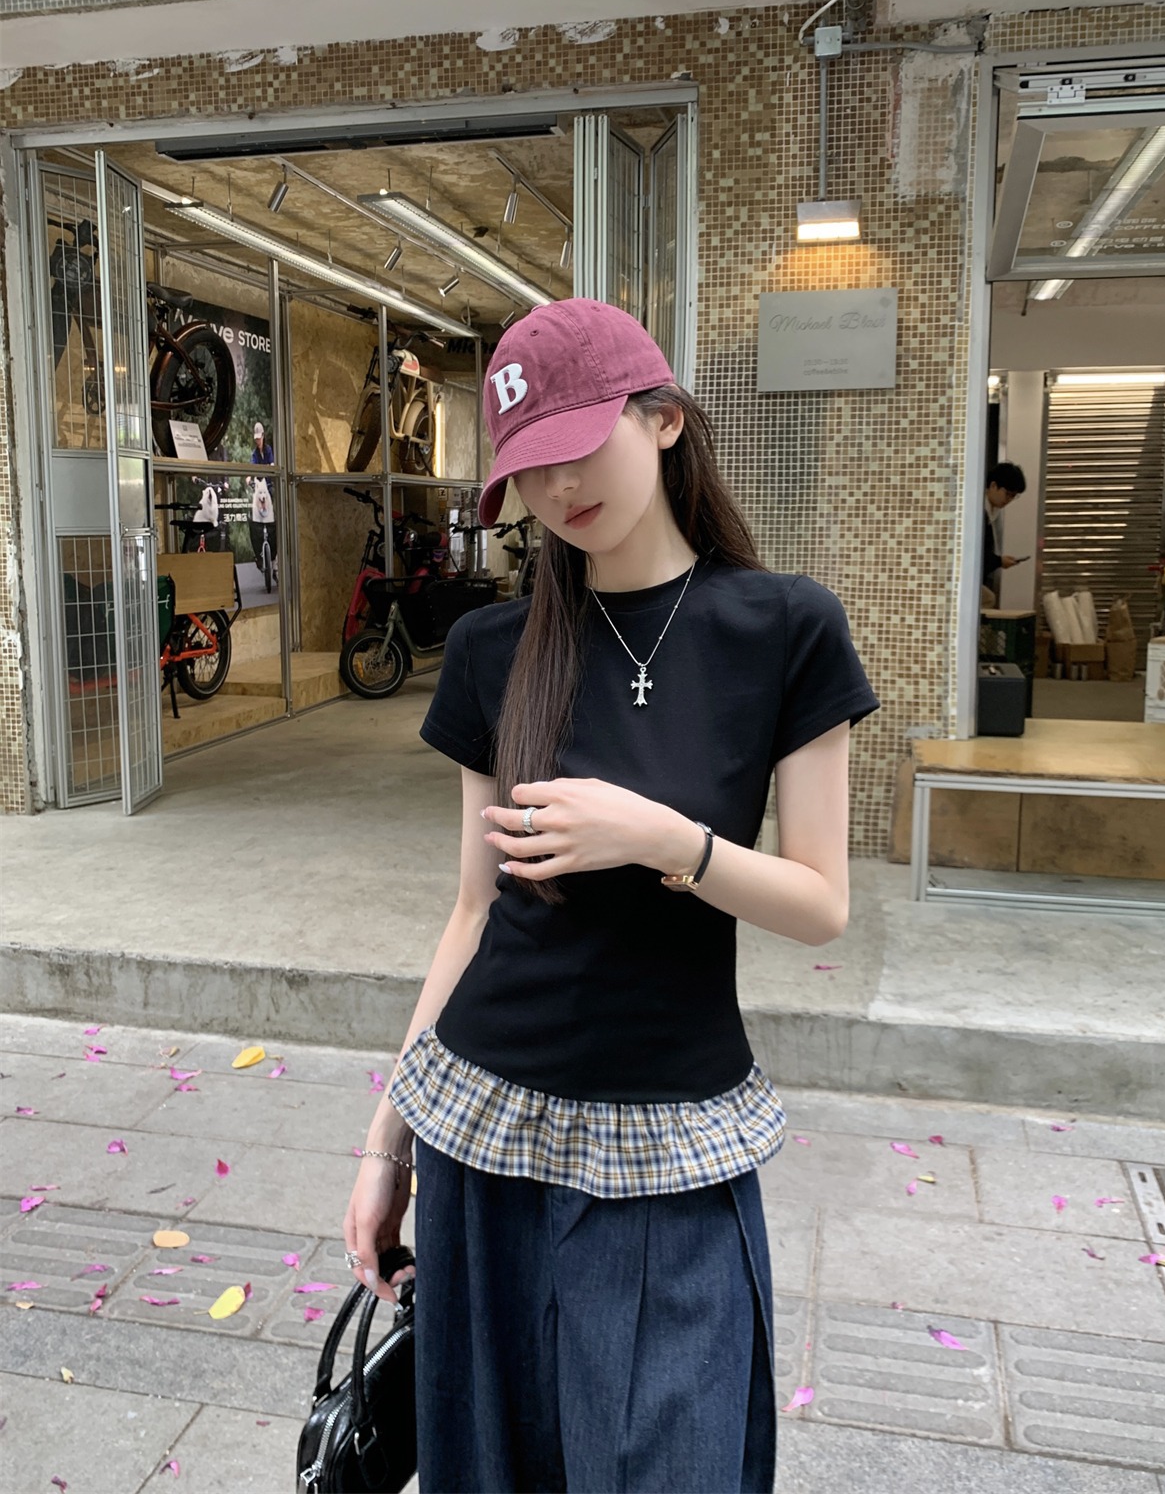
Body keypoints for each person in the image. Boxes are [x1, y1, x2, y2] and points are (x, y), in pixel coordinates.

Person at [342, 299, 879, 1494]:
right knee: (491, 1465)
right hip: (480, 1127)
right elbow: (473, 911)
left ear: (664, 419)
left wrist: (660, 839)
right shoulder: (493, 650)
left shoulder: (785, 628)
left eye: (578, 448)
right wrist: (387, 1146)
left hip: (671, 1140)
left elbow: (820, 903)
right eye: (528, 470)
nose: (558, 489)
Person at [982, 461, 1026, 602]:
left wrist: (998, 560)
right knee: (989, 599)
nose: (1009, 500)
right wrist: (999, 561)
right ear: (993, 486)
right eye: (1008, 494)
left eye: (1013, 496)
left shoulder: (994, 512)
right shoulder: (977, 512)